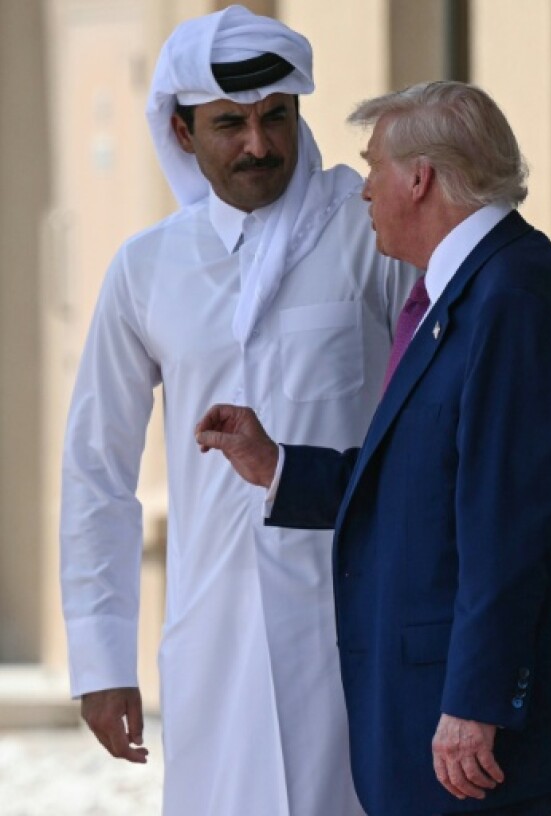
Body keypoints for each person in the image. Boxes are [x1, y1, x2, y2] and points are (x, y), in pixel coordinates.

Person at [194, 80, 551, 815]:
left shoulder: (514, 298)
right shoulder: (468, 292)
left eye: (373, 167)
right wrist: (277, 466)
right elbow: (422, 486)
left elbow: (511, 523)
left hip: (498, 742)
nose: (364, 191)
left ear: (419, 179)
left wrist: (477, 702)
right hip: (451, 719)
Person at [59, 6, 412, 814]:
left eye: (275, 117)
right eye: (230, 124)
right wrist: (103, 657)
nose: (259, 144)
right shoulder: (148, 268)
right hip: (215, 637)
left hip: (355, 629)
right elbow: (96, 469)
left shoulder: (368, 231)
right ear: (183, 133)